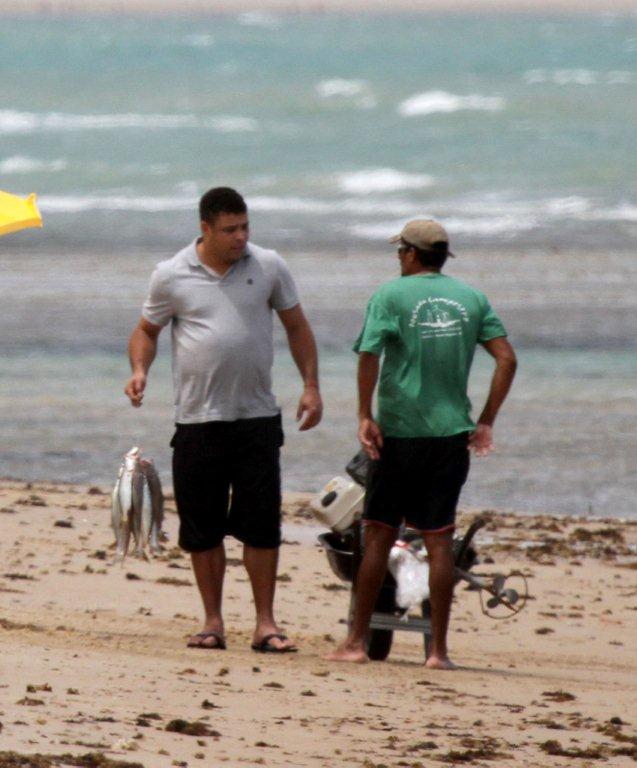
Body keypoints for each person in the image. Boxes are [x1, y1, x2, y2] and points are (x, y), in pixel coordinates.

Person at [125, 187, 322, 653]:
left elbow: (297, 326)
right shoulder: (172, 274)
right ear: (206, 228)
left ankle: (265, 624)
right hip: (197, 420)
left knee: (261, 525)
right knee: (203, 527)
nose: (241, 237)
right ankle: (213, 622)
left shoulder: (268, 265)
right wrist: (139, 369)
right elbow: (146, 331)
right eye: (231, 229)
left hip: (257, 416)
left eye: (245, 227)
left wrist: (311, 386)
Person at [327, 219, 516, 668]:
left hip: (401, 434)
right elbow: (506, 358)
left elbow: (369, 355)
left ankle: (356, 642)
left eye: (400, 252)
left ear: (411, 254)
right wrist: (486, 420)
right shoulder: (471, 298)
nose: (398, 259)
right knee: (439, 541)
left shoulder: (390, 296)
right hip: (450, 436)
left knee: (377, 535)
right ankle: (438, 652)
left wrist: (364, 415)